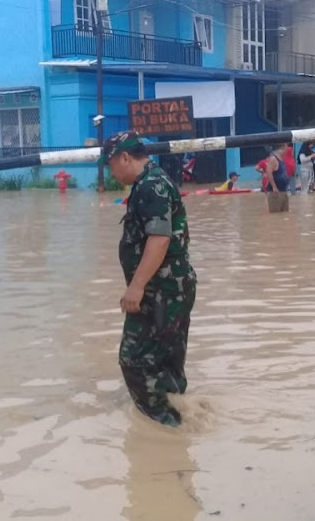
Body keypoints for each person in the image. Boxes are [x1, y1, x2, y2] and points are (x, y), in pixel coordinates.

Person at [100, 131, 197, 427]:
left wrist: (136, 286)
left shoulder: (151, 186)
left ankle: (163, 426)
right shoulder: (152, 181)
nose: (111, 173)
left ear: (125, 158)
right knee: (166, 360)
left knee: (134, 360)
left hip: (161, 291)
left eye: (111, 165)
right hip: (171, 288)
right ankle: (180, 421)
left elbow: (159, 239)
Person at [265, 143, 290, 213]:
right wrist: (274, 187)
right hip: (275, 192)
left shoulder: (281, 159)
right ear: (283, 147)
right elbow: (268, 172)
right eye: (287, 147)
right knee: (275, 214)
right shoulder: (273, 159)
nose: (288, 150)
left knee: (285, 214)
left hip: (283, 191)